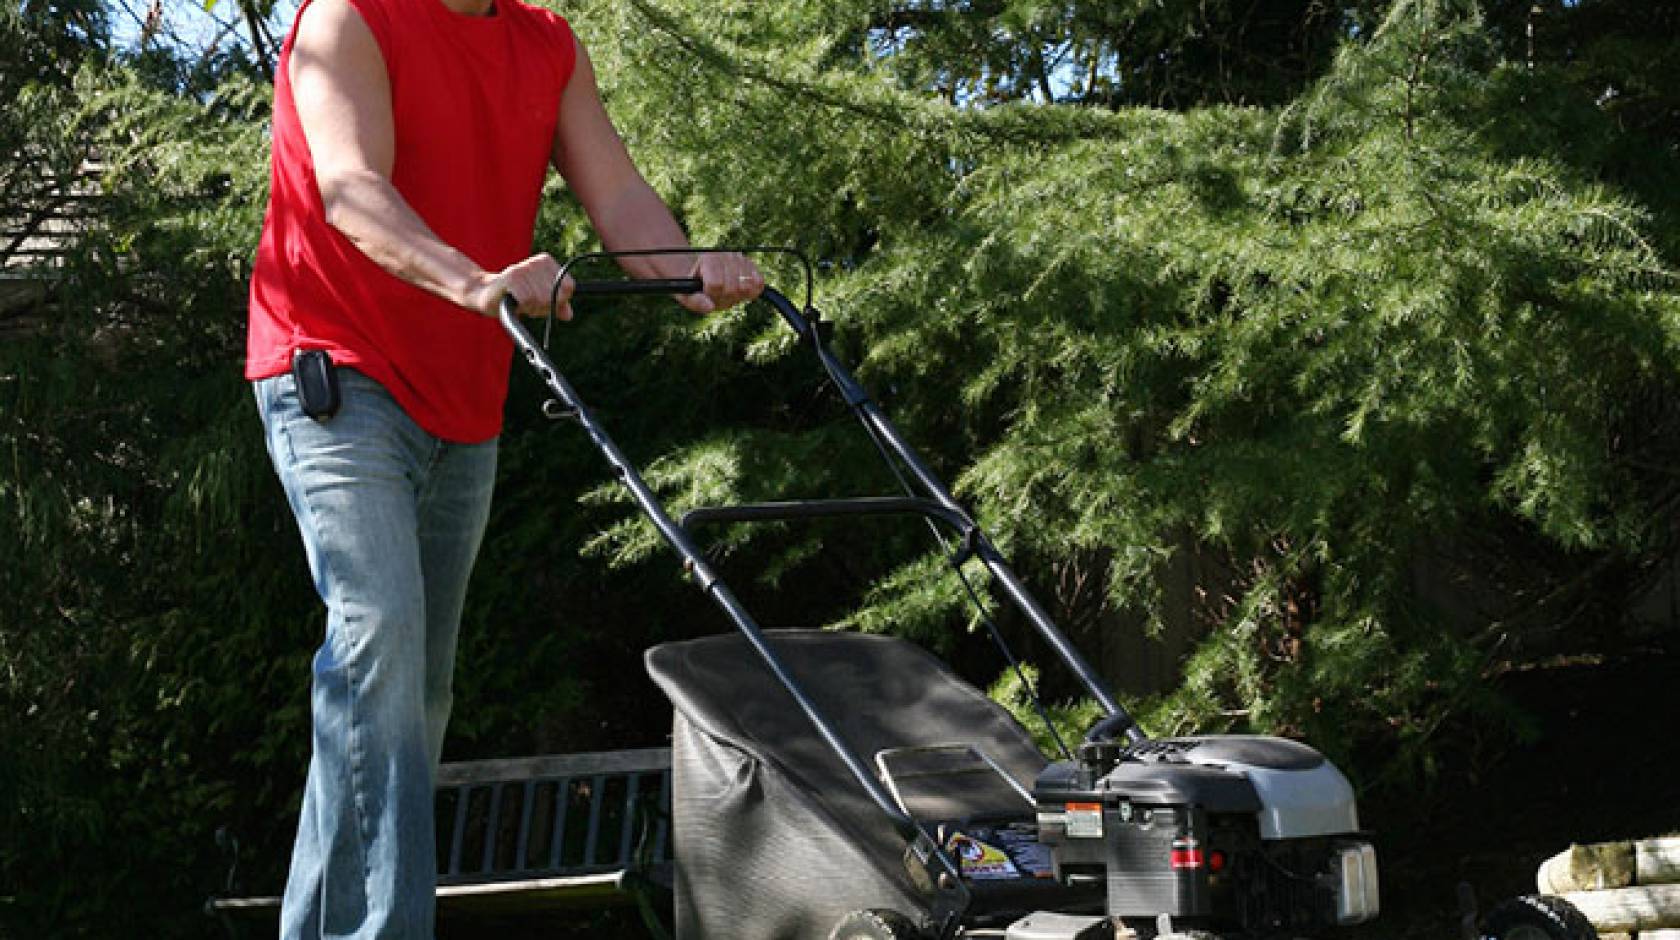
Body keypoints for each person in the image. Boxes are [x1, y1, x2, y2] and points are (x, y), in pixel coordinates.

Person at [243, 0, 764, 933]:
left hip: (462, 400)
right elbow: (349, 188)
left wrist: (691, 267)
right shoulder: (349, 19)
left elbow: (621, 200)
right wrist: (475, 282)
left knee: (410, 687)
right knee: (381, 641)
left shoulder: (546, 45)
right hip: (334, 372)